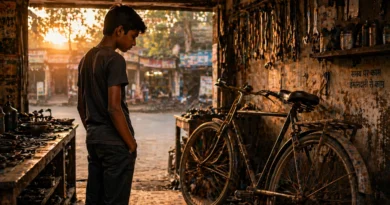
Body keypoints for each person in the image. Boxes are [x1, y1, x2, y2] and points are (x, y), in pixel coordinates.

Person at [77, 5, 146, 205]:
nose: (133, 43)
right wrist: (131, 144)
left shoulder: (85, 59)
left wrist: (94, 132)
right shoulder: (115, 60)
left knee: (95, 199)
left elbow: (81, 106)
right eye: (132, 36)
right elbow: (114, 108)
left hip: (94, 140)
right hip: (116, 145)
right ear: (119, 30)